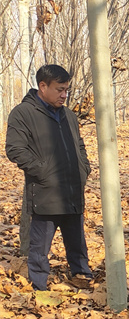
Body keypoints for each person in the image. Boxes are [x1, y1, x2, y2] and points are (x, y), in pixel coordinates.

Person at [5, 64, 94, 291]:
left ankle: (82, 276)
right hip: (45, 191)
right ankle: (39, 285)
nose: (64, 95)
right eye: (59, 90)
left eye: (67, 90)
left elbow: (80, 146)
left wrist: (84, 168)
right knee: (40, 245)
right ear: (42, 86)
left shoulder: (69, 116)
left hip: (73, 190)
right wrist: (44, 171)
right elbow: (15, 149)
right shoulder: (23, 113)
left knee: (77, 241)